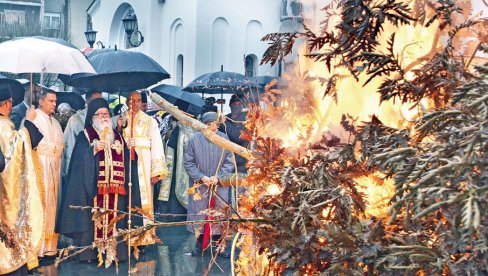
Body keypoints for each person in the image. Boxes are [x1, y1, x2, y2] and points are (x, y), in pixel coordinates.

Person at [56, 98, 141, 262]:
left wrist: (130, 150)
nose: (104, 117)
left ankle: (116, 252)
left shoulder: (117, 136)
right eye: (100, 114)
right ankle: (90, 254)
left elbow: (129, 164)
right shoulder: (86, 135)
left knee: (117, 220)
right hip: (93, 190)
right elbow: (78, 162)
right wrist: (93, 149)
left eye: (106, 114)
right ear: (92, 117)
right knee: (91, 221)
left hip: (117, 192)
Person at [0, 88, 44, 275]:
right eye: (8, 102)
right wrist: (29, 123)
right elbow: (13, 153)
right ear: (6, 103)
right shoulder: (2, 125)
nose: (10, 106)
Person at [118, 91, 167, 246]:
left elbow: (157, 145)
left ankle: (144, 237)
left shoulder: (150, 121)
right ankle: (126, 235)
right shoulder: (120, 119)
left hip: (144, 164)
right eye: (132, 101)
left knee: (144, 197)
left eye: (138, 100)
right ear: (127, 102)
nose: (135, 104)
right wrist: (121, 133)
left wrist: (156, 171)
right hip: (126, 162)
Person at [183, 112, 235, 257]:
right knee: (200, 215)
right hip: (201, 185)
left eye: (215, 124)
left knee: (219, 213)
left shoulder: (224, 139)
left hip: (220, 184)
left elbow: (229, 161)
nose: (213, 128)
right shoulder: (194, 140)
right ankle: (200, 245)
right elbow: (188, 162)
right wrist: (201, 177)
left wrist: (218, 178)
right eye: (209, 124)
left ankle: (220, 245)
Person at [30, 90, 64, 258]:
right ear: (41, 102)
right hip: (39, 168)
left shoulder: (56, 123)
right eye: (50, 101)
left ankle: (49, 248)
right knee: (39, 206)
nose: (54, 104)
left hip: (54, 169)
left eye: (55, 101)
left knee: (52, 206)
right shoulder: (33, 117)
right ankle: (36, 250)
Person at [158, 117, 195, 222]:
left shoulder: (180, 128)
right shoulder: (184, 128)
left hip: (180, 165)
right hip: (176, 165)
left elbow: (170, 145)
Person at [62, 90, 102, 178]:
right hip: (81, 164)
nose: (99, 104)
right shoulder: (75, 119)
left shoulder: (106, 118)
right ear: (87, 101)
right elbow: (69, 144)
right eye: (96, 101)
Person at [219, 94, 249, 173]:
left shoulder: (247, 120)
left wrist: (225, 123)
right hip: (225, 160)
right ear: (230, 105)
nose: (237, 106)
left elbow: (239, 137)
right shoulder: (225, 118)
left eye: (239, 104)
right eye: (234, 104)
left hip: (241, 161)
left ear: (243, 106)